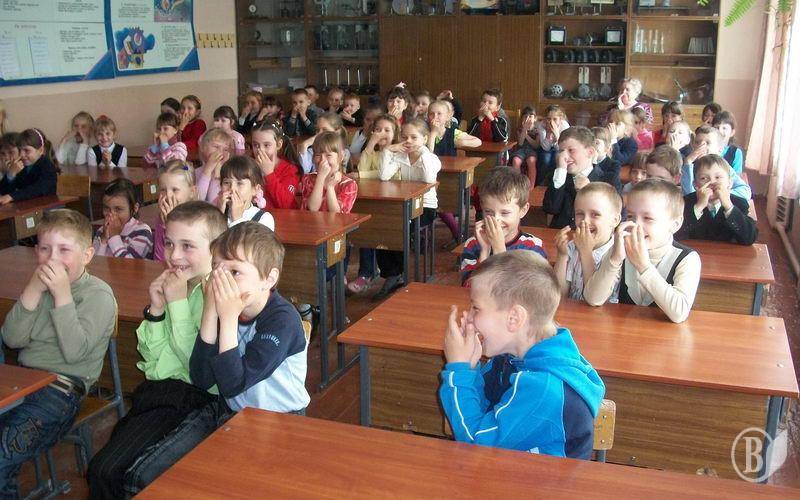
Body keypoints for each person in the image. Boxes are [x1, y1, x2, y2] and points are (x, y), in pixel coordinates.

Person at [123, 222, 310, 495]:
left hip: (280, 421)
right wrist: (211, 312)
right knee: (143, 477)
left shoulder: (282, 320)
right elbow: (202, 378)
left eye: (234, 272)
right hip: (229, 413)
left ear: (269, 279)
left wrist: (229, 318)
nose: (220, 280)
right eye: (217, 269)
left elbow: (234, 383)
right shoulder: (225, 306)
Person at [86, 201, 227, 500]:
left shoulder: (217, 296)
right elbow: (152, 363)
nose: (174, 255)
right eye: (170, 243)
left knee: (122, 474)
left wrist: (175, 304)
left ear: (215, 248)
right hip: (161, 394)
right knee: (103, 470)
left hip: (200, 401)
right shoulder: (177, 285)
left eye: (187, 246)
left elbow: (199, 370)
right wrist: (157, 310)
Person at [439, 250, 605, 458]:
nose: (468, 317)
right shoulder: (510, 359)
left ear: (514, 318)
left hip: (535, 480)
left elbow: (475, 444)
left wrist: (458, 369)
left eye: (476, 308)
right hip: (508, 470)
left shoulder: (544, 388)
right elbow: (481, 414)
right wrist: (470, 369)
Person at [1, 209, 116, 498]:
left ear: (87, 255)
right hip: (22, 383)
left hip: (59, 394)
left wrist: (62, 295)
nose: (52, 259)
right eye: (44, 249)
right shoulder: (38, 286)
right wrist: (32, 290)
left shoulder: (98, 295)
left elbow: (75, 353)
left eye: (64, 250)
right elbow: (12, 339)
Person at [584, 179, 701, 323]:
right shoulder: (621, 249)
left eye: (648, 218)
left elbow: (679, 313)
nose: (636, 225)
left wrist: (643, 266)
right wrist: (614, 260)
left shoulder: (687, 259)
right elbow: (593, 299)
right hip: (624, 332)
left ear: (675, 224)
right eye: (631, 216)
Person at [374, 119, 440, 300]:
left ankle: (401, 273)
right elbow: (384, 176)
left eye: (414, 137)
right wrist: (388, 150)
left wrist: (422, 151)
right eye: (404, 137)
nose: (408, 141)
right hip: (404, 206)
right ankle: (393, 273)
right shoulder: (400, 156)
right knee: (382, 228)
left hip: (425, 207)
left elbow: (429, 179)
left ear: (424, 139)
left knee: (400, 227)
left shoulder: (431, 159)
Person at [460, 167, 546, 284]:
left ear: (523, 210)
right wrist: (484, 252)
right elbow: (470, 289)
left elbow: (523, 291)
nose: (496, 220)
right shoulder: (473, 244)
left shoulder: (533, 247)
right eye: (488, 212)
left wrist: (499, 249)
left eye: (505, 213)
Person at [427, 99, 481, 247]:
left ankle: (459, 235)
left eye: (439, 114)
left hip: (447, 178)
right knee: (435, 206)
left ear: (447, 117)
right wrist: (433, 133)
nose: (435, 117)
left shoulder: (453, 133)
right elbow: (428, 155)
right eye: (431, 114)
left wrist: (461, 143)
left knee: (442, 205)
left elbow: (478, 142)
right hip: (429, 176)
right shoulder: (424, 133)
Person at [554, 182, 622, 300]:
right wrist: (562, 255)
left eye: (595, 214)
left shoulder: (617, 253)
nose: (585, 220)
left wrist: (586, 251)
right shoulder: (572, 246)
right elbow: (560, 294)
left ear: (615, 220)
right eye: (580, 214)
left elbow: (594, 300)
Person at [676, 154, 757, 245]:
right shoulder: (685, 202)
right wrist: (698, 207)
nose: (712, 182)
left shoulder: (739, 203)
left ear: (729, 183)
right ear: (695, 185)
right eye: (704, 178)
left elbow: (750, 238)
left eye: (718, 177)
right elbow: (675, 234)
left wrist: (729, 206)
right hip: (694, 251)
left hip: (728, 253)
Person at [542, 126, 603, 229]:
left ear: (590, 152)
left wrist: (589, 191)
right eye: (561, 151)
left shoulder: (607, 178)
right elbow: (550, 208)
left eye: (571, 150)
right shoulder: (559, 176)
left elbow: (607, 214)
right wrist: (561, 170)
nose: (564, 157)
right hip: (561, 233)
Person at [679, 126, 752, 201]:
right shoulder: (689, 167)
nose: (701, 146)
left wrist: (719, 194)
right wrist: (687, 162)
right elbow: (689, 194)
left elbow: (745, 192)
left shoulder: (723, 167)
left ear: (720, 150)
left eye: (708, 143)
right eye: (697, 142)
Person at [93, 178, 154, 259]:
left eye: (118, 209)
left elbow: (130, 264)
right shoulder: (102, 230)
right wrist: (103, 239)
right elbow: (95, 263)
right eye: (106, 208)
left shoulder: (142, 232)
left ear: (134, 208)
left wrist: (114, 236)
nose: (111, 215)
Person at [301, 131, 358, 214]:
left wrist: (330, 187)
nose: (322, 161)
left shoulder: (348, 184)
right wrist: (320, 178)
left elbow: (337, 214)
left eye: (328, 155)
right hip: (310, 222)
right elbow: (313, 208)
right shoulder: (308, 179)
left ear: (341, 156)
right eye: (318, 155)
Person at [251, 120, 303, 209]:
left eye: (266, 145)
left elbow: (285, 204)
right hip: (258, 216)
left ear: (279, 144)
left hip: (283, 216)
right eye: (256, 145)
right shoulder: (249, 166)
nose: (260, 150)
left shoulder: (290, 169)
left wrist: (269, 174)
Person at [153, 161, 198, 261]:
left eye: (175, 190)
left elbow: (181, 259)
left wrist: (170, 225)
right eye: (163, 190)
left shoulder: (197, 221)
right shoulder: (162, 217)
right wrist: (164, 224)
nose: (168, 195)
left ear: (192, 192)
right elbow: (159, 259)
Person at [0, 128, 57, 205]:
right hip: (25, 207)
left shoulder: (47, 166)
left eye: (27, 150)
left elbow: (38, 189)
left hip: (46, 207)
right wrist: (11, 174)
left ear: (41, 150)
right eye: (20, 150)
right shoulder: (21, 166)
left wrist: (12, 196)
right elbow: (4, 191)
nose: (22, 155)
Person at [218, 156, 275, 230]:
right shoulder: (215, 212)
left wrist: (237, 219)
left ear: (255, 189)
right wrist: (218, 215)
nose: (232, 188)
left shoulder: (264, 218)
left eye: (239, 183)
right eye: (226, 182)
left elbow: (245, 238)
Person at [532, 104, 570, 186]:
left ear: (560, 119)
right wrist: (548, 134)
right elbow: (545, 148)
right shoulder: (541, 125)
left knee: (557, 158)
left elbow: (561, 147)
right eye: (548, 119)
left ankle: (553, 184)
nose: (551, 122)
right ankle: (541, 183)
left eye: (555, 119)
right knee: (545, 159)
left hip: (560, 148)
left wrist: (556, 134)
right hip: (546, 148)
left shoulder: (564, 126)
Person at [194, 128, 235, 203]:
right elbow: (198, 200)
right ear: (203, 147)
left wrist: (217, 175)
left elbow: (215, 203)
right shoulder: (195, 172)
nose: (220, 152)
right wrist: (208, 170)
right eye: (216, 147)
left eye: (225, 149)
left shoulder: (229, 175)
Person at [509, 106, 538, 187]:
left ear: (535, 119)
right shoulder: (520, 129)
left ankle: (531, 186)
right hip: (520, 150)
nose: (528, 118)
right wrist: (524, 129)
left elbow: (536, 145)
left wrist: (526, 135)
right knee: (515, 161)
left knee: (531, 161)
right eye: (525, 116)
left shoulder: (536, 130)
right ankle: (517, 185)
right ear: (522, 118)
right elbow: (520, 143)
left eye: (530, 116)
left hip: (532, 151)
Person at [591, 126, 622, 193]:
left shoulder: (614, 165)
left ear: (607, 148)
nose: (593, 146)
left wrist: (594, 163)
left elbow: (605, 182)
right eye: (590, 143)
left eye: (597, 143)